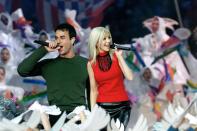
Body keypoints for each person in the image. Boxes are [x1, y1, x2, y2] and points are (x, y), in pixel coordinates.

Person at [17, 23, 89, 126]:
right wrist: (43, 49)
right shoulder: (48, 64)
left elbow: (94, 91)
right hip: (54, 117)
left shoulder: (86, 64)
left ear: (72, 40)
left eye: (62, 37)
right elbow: (22, 70)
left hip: (79, 117)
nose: (58, 41)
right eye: (56, 38)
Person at [87, 27, 133, 127]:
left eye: (109, 38)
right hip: (102, 108)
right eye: (104, 39)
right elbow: (93, 90)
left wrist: (120, 56)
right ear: (96, 41)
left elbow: (130, 77)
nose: (108, 41)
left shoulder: (116, 57)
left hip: (122, 107)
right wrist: (92, 112)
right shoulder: (91, 63)